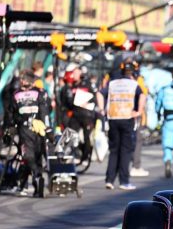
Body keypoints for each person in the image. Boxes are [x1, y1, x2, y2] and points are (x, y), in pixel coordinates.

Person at [97, 62, 146, 190]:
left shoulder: (113, 83)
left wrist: (102, 109)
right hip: (127, 118)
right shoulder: (134, 84)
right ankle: (124, 181)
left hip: (113, 118)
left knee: (114, 150)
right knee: (125, 151)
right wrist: (139, 111)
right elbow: (142, 95)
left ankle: (109, 180)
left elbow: (99, 93)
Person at [10, 69, 50, 197]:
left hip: (35, 129)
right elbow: (12, 113)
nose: (22, 81)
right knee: (28, 157)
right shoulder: (18, 94)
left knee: (34, 157)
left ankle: (37, 184)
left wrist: (47, 128)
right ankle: (34, 180)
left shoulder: (38, 94)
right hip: (28, 130)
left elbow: (44, 112)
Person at [60, 63, 98, 169]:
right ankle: (64, 152)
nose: (75, 75)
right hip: (76, 114)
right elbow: (68, 101)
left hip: (87, 114)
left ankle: (85, 157)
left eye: (77, 72)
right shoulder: (72, 86)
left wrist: (87, 101)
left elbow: (94, 97)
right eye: (74, 73)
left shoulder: (87, 84)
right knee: (70, 133)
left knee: (87, 137)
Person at [129, 59, 150, 178]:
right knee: (137, 141)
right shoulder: (139, 80)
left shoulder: (121, 79)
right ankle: (136, 166)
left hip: (126, 114)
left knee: (130, 141)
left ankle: (129, 166)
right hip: (136, 115)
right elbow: (144, 95)